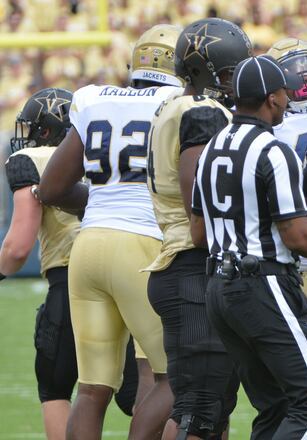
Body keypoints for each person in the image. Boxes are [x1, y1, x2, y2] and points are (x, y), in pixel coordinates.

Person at [191, 54, 307, 439]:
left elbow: (197, 233)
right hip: (263, 283)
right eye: (284, 94)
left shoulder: (212, 147)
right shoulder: (272, 150)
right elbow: (297, 236)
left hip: (220, 288)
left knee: (276, 407)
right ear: (272, 98)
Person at [37, 24, 183, 440]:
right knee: (173, 377)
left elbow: (51, 188)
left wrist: (106, 199)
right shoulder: (180, 102)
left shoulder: (94, 97)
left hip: (88, 247)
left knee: (92, 389)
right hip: (144, 246)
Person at [1, 88, 140, 439]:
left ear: (45, 130)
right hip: (135, 269)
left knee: (57, 386)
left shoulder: (32, 158)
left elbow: (18, 247)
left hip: (76, 280)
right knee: (148, 390)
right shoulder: (106, 151)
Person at [145, 18, 253, 440]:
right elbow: (199, 197)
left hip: (181, 264)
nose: (236, 83)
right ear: (204, 73)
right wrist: (211, 232)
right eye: (229, 74)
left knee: (212, 406)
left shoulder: (174, 105)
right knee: (201, 409)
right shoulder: (202, 110)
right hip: (192, 264)